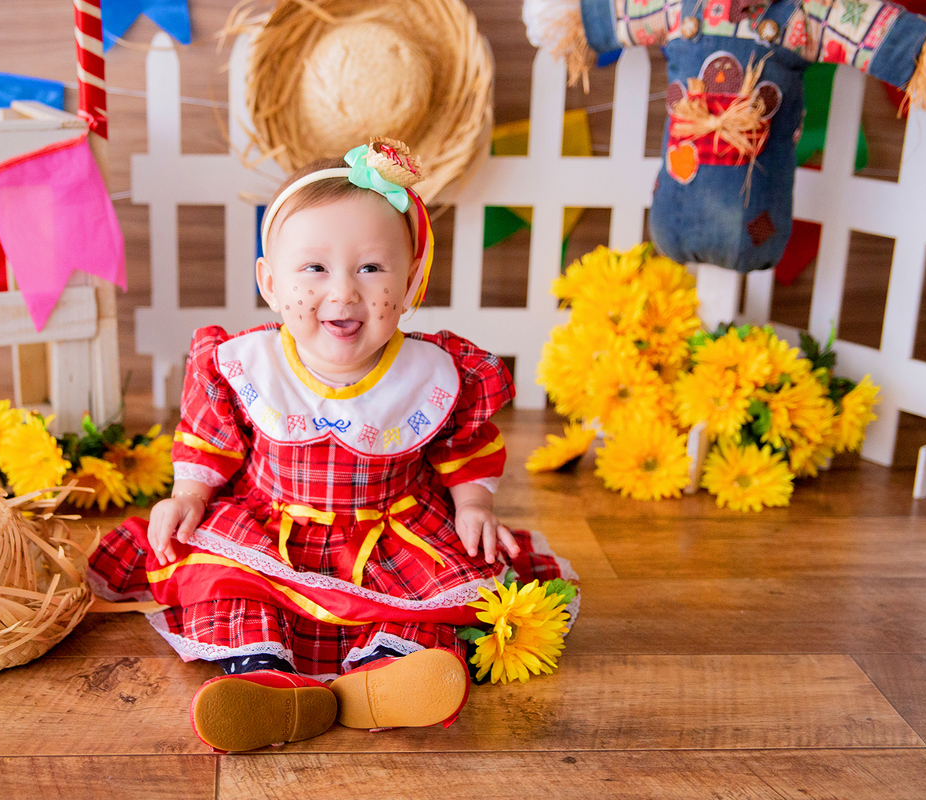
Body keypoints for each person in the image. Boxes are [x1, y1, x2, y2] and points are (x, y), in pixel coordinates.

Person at [87, 138, 577, 752]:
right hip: (272, 531)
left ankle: (385, 681)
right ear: (269, 280)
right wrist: (188, 493)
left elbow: (465, 443)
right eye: (314, 269)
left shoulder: (431, 372)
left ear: (412, 281)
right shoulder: (247, 363)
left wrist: (473, 504)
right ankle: (266, 682)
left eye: (371, 269)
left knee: (413, 605)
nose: (343, 294)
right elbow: (214, 437)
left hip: (391, 532)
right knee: (240, 590)